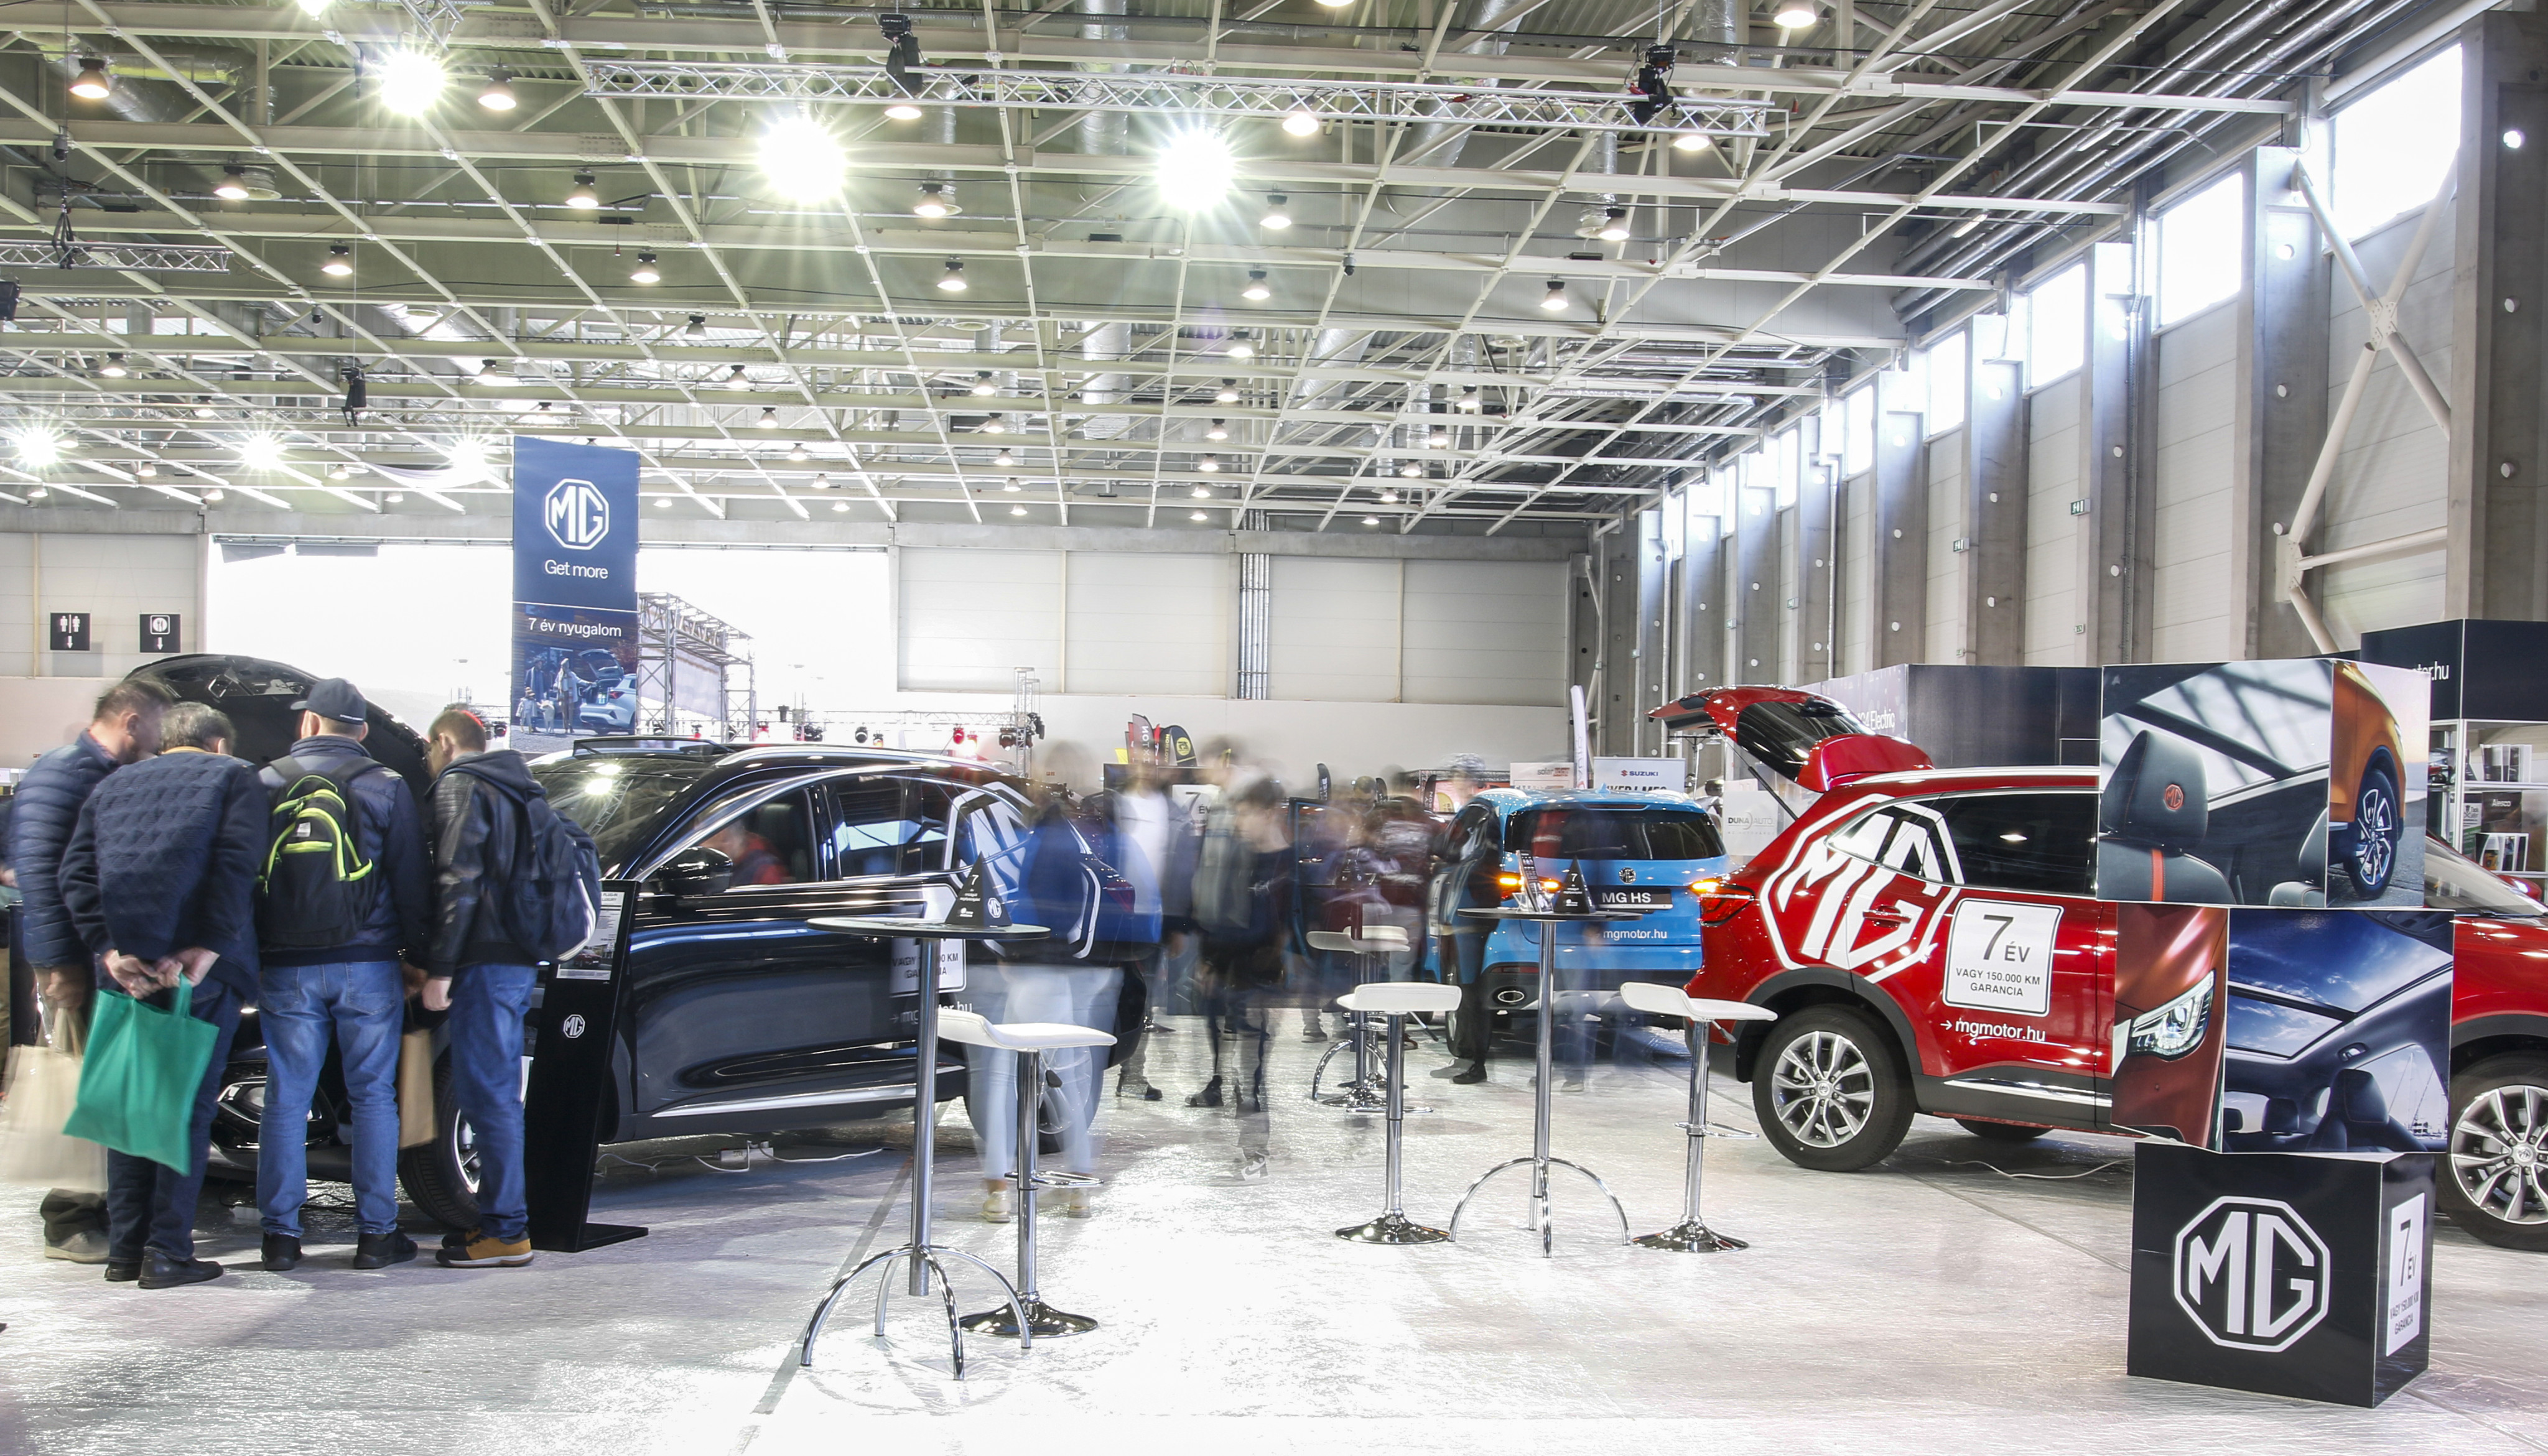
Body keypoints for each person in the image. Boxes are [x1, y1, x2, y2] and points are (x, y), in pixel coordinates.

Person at [58, 701, 264, 1289]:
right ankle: (168, 1251)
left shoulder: (112, 784)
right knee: (187, 1108)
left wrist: (107, 949)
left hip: (124, 972)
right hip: (196, 975)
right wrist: (208, 946)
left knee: (131, 1107)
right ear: (218, 744)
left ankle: (126, 1250)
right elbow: (236, 866)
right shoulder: (233, 777)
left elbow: (75, 874)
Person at [253, 678, 432, 1274]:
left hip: (285, 966)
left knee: (286, 1097)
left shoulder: (266, 781)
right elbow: (410, 880)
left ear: (309, 722)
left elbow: (244, 876)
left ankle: (280, 1238)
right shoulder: (386, 784)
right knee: (374, 1095)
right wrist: (418, 956)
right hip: (368, 963)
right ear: (363, 731)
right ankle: (377, 1235)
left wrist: (253, 953)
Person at [7, 678, 170, 1264]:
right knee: (81, 1085)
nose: (161, 742)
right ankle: (69, 1219)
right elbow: (41, 874)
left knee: (101, 1084)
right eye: (159, 728)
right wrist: (60, 965)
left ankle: (100, 1209)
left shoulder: (91, 771)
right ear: (131, 721)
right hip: (74, 959)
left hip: (91, 956)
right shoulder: (66, 773)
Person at [419, 703, 544, 1269]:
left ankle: (507, 1230)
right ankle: (500, 1218)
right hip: (517, 957)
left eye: (429, 749)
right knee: (496, 1093)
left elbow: (458, 880)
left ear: (444, 741)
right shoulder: (521, 787)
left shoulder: (461, 784)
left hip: (483, 961)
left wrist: (440, 968)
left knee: (488, 1095)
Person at [961, 792, 1123, 1222]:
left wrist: (1011, 955)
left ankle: (1000, 1191)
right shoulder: (1061, 840)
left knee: (1000, 1078)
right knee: (1066, 1078)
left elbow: (1019, 907)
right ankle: (1078, 1187)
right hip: (1056, 974)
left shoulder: (1042, 841)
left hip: (1032, 972)